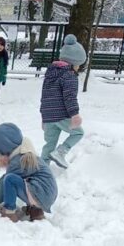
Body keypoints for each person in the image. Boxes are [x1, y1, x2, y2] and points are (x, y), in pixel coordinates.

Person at [0, 121, 57, 222]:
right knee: (11, 178)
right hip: (46, 193)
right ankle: (36, 212)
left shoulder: (18, 161)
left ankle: (9, 212)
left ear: (3, 146)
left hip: (42, 193)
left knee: (10, 180)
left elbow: (5, 184)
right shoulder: (25, 154)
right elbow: (4, 178)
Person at [39, 34, 86, 168]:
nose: (78, 68)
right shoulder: (69, 76)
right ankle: (61, 152)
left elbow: (45, 96)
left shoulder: (49, 74)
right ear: (73, 62)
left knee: (49, 145)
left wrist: (44, 116)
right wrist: (75, 115)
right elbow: (70, 97)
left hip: (48, 115)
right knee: (78, 132)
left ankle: (42, 170)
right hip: (61, 115)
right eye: (78, 64)